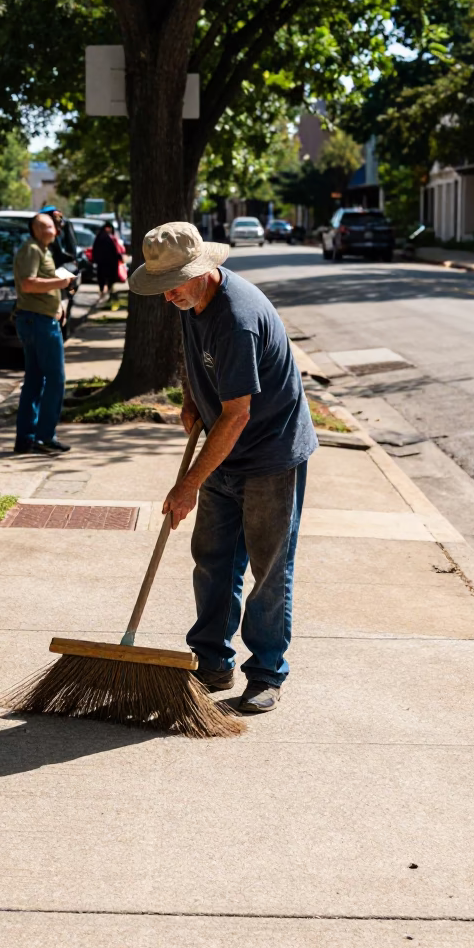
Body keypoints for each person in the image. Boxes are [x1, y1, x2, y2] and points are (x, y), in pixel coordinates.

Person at [129, 221, 318, 714]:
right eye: (162, 286)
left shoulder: (238, 318)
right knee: (212, 561)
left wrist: (189, 483)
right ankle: (212, 660)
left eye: (173, 285)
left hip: (269, 457)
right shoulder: (189, 301)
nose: (166, 296)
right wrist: (192, 398)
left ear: (204, 272)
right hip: (225, 448)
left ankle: (266, 673)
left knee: (267, 569)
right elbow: (193, 358)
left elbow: (238, 416)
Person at [12, 212, 75, 454]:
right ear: (38, 229)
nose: (55, 230)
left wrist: (58, 305)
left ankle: (26, 438)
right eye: (50, 226)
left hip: (39, 319)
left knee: (35, 381)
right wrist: (62, 284)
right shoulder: (32, 250)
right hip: (38, 323)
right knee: (56, 380)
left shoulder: (43, 249)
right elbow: (28, 283)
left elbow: (39, 283)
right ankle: (44, 437)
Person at [92, 220, 126, 295]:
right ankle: (106, 291)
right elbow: (113, 250)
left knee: (104, 277)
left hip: (105, 262)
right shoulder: (106, 237)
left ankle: (105, 291)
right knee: (107, 277)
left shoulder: (103, 237)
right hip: (107, 262)